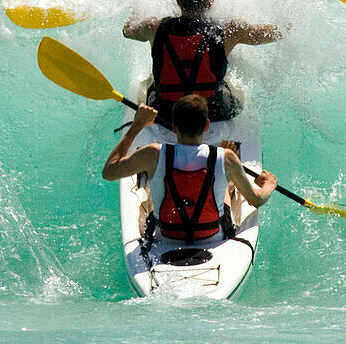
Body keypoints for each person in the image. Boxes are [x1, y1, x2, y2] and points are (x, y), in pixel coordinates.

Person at [102, 95, 277, 243]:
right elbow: (257, 200)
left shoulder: (152, 153)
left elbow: (109, 171)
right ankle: (231, 180)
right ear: (207, 125)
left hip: (165, 237)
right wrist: (269, 184)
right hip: (213, 237)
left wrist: (137, 125)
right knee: (226, 179)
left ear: (174, 127)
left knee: (149, 183)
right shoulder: (226, 157)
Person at [123, 0, 281, 122]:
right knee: (230, 73)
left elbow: (127, 31)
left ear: (178, 2)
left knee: (151, 80)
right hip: (212, 112)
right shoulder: (229, 30)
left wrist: (135, 12)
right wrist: (287, 25)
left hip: (165, 112)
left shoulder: (153, 27)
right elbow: (268, 35)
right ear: (210, 3)